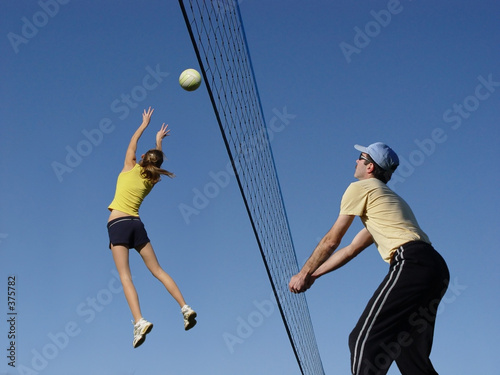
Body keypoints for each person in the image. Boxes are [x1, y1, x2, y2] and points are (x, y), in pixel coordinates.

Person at [289, 142, 449, 375]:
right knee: (409, 354)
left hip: (412, 262)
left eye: (360, 157)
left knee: (364, 340)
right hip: (436, 269)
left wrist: (302, 273)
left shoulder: (361, 188)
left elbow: (332, 240)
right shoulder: (383, 201)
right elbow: (351, 249)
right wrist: (313, 275)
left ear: (370, 167)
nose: (355, 161)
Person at [107, 107, 197, 348]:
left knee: (125, 276)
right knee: (157, 270)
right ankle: (185, 307)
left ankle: (139, 321)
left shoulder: (130, 167)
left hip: (118, 224)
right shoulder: (152, 179)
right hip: (137, 225)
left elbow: (132, 143)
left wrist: (144, 125)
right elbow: (155, 159)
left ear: (142, 159)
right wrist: (158, 141)